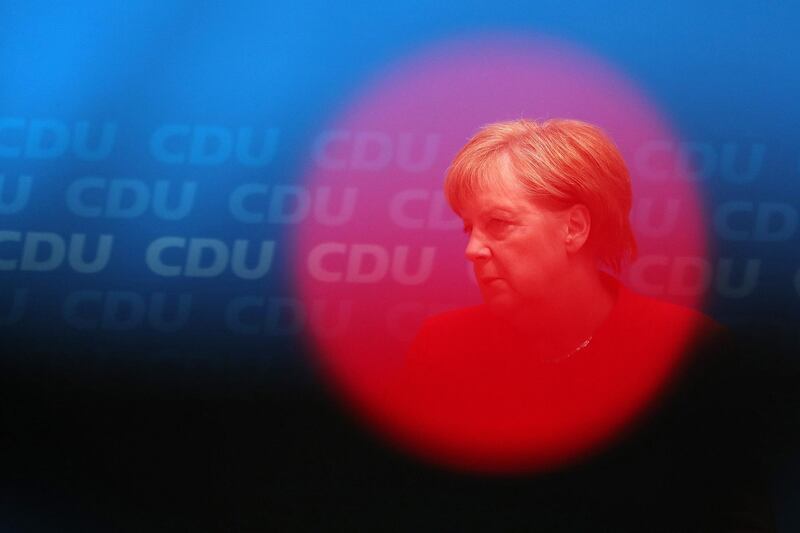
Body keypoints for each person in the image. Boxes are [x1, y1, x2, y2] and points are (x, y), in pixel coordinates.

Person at [400, 118, 775, 530]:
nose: (472, 250)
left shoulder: (691, 355)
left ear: (574, 228)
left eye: (499, 224)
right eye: (469, 228)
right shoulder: (443, 348)